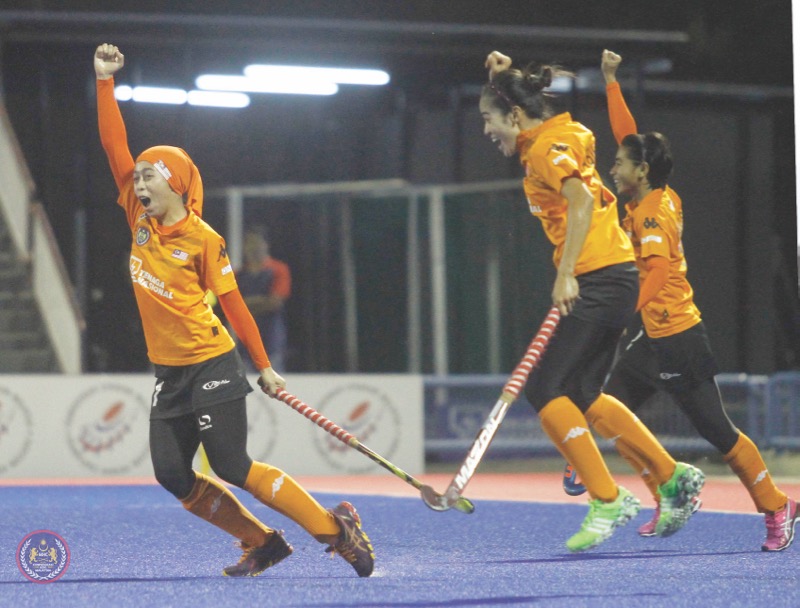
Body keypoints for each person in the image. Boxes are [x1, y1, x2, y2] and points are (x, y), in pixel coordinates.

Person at [94, 43, 375, 577]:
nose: (139, 182)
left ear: (175, 183)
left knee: (231, 464)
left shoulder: (204, 239)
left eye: (150, 175)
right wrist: (104, 81)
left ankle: (336, 530)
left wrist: (264, 365)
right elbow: (113, 144)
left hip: (211, 361)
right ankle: (262, 542)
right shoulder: (138, 216)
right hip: (169, 372)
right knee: (172, 474)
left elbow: (234, 304)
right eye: (139, 175)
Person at [482, 50, 704, 552]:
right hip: (615, 275)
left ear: (514, 115)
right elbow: (528, 119)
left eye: (489, 120)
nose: (486, 130)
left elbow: (581, 200)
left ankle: (606, 497)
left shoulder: (545, 149)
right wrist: (498, 79)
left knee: (545, 390)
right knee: (582, 394)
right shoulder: (559, 133)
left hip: (599, 276)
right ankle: (670, 474)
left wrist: (565, 275)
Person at [598, 49, 798, 551]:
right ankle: (668, 492)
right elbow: (629, 137)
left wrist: (622, 311)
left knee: (719, 434)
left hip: (680, 338)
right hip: (654, 336)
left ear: (642, 171)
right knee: (607, 408)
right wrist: (611, 82)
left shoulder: (651, 214)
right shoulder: (652, 192)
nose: (612, 166)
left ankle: (777, 505)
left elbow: (660, 270)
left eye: (621, 163)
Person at [236, 228, 291, 373]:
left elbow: (275, 302)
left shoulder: (278, 270)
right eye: (249, 243)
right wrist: (262, 301)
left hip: (271, 339)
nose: (253, 247)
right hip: (245, 341)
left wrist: (246, 304)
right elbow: (232, 307)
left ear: (266, 245)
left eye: (257, 242)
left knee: (274, 381)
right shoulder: (237, 274)